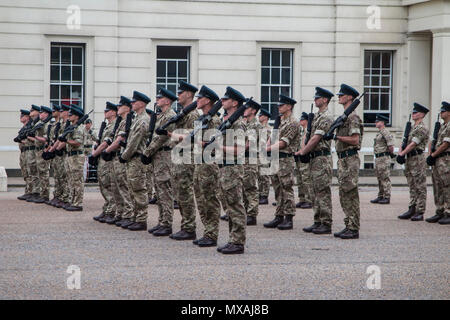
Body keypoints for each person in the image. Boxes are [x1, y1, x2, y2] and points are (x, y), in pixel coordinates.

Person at [325, 84, 363, 239]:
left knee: (350, 194)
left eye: (342, 95)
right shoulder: (345, 117)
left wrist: (336, 137)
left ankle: (353, 228)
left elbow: (355, 140)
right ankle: (348, 224)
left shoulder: (353, 117)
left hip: (350, 158)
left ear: (349, 97)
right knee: (344, 194)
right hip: (343, 159)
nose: (339, 97)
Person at [216, 86, 247, 255]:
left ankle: (238, 242)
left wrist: (218, 146)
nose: (222, 101)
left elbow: (240, 149)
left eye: (226, 99)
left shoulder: (238, 124)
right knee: (229, 207)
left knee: (235, 206)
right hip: (225, 168)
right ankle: (232, 239)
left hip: (233, 169)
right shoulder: (227, 122)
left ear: (235, 103)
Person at [298, 87, 334, 234]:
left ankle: (326, 222)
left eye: (318, 97)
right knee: (314, 191)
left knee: (322, 191)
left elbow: (316, 138)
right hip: (314, 158)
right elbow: (307, 136)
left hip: (321, 158)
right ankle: (317, 220)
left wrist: (303, 152)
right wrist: (304, 150)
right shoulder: (316, 116)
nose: (315, 99)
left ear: (325, 100)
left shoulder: (326, 117)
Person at [167, 81, 200, 240]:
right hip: (179, 157)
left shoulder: (193, 115)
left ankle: (189, 227)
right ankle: (185, 225)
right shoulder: (184, 113)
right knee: (180, 193)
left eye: (181, 93)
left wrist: (171, 135)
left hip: (186, 158)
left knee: (185, 193)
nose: (178, 95)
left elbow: (190, 138)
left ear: (188, 95)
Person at [263, 94, 301, 231]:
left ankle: (289, 218)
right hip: (275, 157)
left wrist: (266, 148)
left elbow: (284, 143)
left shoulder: (293, 122)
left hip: (285, 158)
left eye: (282, 105)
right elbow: (273, 136)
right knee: (277, 188)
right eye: (278, 105)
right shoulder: (280, 120)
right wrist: (266, 147)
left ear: (289, 106)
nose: (279, 107)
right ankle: (279, 215)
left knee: (286, 188)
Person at [143, 88, 178, 236]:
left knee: (165, 189)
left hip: (164, 155)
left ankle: (167, 223)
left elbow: (161, 138)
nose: (157, 99)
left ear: (168, 101)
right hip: (158, 156)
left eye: (160, 98)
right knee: (159, 190)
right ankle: (162, 221)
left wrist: (147, 152)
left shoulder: (170, 115)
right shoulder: (160, 115)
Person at [119, 91, 151, 231]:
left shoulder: (143, 120)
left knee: (138, 189)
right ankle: (135, 217)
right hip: (132, 159)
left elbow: (134, 143)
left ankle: (141, 219)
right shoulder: (136, 119)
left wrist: (124, 156)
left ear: (142, 104)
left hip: (136, 158)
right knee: (132, 189)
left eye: (134, 102)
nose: (132, 104)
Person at [103, 96, 135, 227]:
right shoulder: (121, 121)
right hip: (116, 156)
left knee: (123, 186)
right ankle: (121, 213)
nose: (118, 108)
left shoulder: (127, 121)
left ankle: (128, 214)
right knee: (116, 186)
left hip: (121, 156)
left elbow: (119, 140)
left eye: (120, 106)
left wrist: (107, 151)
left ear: (127, 107)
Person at [397, 102, 429, 221]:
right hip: (409, 158)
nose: (413, 114)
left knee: (419, 185)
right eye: (413, 112)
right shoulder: (411, 128)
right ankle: (412, 207)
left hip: (417, 158)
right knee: (412, 184)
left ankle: (420, 211)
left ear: (422, 115)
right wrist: (400, 153)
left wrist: (402, 153)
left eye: (416, 112)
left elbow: (413, 144)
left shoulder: (422, 128)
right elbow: (405, 141)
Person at [91, 102, 118, 223]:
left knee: (108, 185)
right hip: (102, 158)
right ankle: (107, 209)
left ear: (113, 112)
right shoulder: (108, 125)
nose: (105, 113)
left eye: (107, 111)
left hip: (107, 159)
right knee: (103, 185)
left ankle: (111, 211)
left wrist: (94, 154)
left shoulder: (113, 126)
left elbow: (106, 143)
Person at [57, 105, 86, 211]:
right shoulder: (71, 127)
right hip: (70, 156)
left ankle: (78, 203)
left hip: (77, 156)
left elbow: (77, 143)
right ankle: (72, 200)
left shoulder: (79, 128)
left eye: (71, 114)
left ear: (77, 117)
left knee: (77, 181)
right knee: (71, 180)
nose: (69, 116)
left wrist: (66, 141)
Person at [426, 101, 450, 225]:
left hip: (446, 159)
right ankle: (439, 210)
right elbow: (433, 140)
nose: (441, 113)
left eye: (443, 111)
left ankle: (448, 211)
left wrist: (433, 155)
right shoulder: (441, 126)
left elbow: (446, 144)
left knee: (447, 186)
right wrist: (430, 153)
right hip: (438, 159)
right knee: (437, 186)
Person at [242, 99, 262, 225]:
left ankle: (252, 214)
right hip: (244, 158)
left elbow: (249, 144)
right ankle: (245, 211)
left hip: (251, 158)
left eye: (247, 107)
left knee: (250, 187)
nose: (244, 109)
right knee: (244, 187)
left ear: (253, 111)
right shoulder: (246, 124)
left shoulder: (255, 125)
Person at [29, 105, 53, 203]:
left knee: (44, 173)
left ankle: (45, 195)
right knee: (40, 173)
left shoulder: (47, 125)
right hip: (37, 150)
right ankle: (41, 193)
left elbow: (46, 139)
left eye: (42, 113)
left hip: (43, 150)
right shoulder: (40, 123)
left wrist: (35, 137)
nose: (40, 114)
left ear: (46, 114)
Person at [370, 114, 393, 204]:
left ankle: (387, 197)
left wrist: (389, 153)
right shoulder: (380, 132)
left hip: (383, 157)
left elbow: (390, 145)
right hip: (379, 157)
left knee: (385, 177)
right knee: (380, 178)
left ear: (382, 122)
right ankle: (381, 195)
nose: (375, 123)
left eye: (377, 121)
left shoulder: (385, 132)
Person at [295, 112, 312, 209]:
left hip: (304, 157)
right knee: (300, 179)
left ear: (306, 121)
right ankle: (302, 199)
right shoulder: (302, 131)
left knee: (306, 179)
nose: (300, 121)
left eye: (302, 120)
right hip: (299, 158)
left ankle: (309, 200)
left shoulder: (308, 132)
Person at [16, 109, 33, 200]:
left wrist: (22, 140)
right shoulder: (24, 127)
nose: (21, 117)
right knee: (25, 172)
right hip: (23, 151)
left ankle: (31, 191)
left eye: (22, 116)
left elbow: (29, 140)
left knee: (29, 172)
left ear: (27, 117)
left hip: (28, 151)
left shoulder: (29, 127)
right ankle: (28, 191)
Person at [257, 108, 272, 205]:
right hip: (259, 154)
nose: (259, 117)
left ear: (265, 117)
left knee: (264, 175)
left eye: (261, 115)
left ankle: (264, 196)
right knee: (259, 175)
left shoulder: (269, 129)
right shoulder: (260, 128)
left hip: (265, 154)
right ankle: (260, 193)